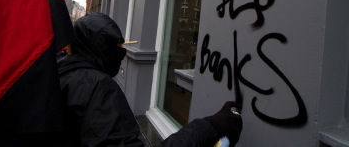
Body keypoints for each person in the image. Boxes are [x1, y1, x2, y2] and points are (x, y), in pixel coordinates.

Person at [58, 13, 242, 147]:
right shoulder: (98, 88)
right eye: (115, 45)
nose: (121, 52)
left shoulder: (65, 73)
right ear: (100, 47)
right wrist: (208, 127)